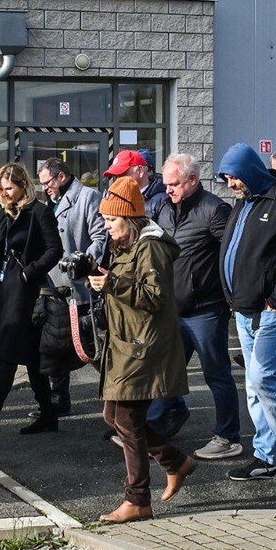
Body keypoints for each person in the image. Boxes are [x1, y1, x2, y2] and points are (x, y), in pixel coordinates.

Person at [89, 174, 194, 521]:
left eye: (111, 220)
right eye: (104, 220)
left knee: (127, 420)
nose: (106, 227)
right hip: (128, 344)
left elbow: (155, 297)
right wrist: (104, 279)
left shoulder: (150, 247)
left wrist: (112, 283)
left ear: (131, 219)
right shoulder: (131, 245)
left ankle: (137, 501)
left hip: (144, 347)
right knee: (114, 416)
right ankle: (176, 462)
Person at [214, 143, 276, 484]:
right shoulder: (243, 204)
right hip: (243, 309)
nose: (230, 185)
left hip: (274, 309)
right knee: (252, 385)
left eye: (233, 177)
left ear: (249, 172)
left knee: (262, 378)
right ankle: (267, 454)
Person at [157, 153, 242, 462]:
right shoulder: (165, 209)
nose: (168, 189)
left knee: (216, 373)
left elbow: (234, 255)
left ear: (193, 180)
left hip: (206, 309)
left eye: (174, 184)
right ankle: (158, 423)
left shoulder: (214, 210)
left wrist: (233, 297)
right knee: (166, 372)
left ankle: (228, 437)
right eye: (166, 184)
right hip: (173, 310)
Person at [0, 164, 62, 438]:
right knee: (32, 359)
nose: (5, 193)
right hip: (3, 292)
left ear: (23, 186)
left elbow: (55, 249)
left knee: (7, 356)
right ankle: (47, 414)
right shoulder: (5, 213)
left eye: (9, 188)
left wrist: (29, 271)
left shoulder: (40, 212)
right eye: (1, 188)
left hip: (24, 294)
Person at [38, 159, 106, 417]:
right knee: (55, 346)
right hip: (54, 287)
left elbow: (101, 237)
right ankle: (59, 401)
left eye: (47, 182)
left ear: (62, 177)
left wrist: (83, 260)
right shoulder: (50, 201)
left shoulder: (88, 197)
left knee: (91, 348)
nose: (45, 188)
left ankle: (117, 405)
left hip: (79, 287)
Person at [104, 148, 168, 217]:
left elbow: (167, 227)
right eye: (116, 176)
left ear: (140, 170)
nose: (118, 180)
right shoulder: (115, 199)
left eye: (123, 174)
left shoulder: (163, 201)